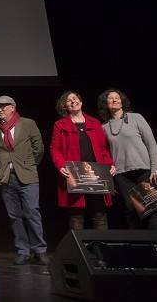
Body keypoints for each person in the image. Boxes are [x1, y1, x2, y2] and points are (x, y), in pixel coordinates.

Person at [0, 95, 48, 265]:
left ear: (13, 107)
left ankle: (39, 250)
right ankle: (23, 250)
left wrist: (28, 164)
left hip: (27, 175)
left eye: (3, 106)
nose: (0, 109)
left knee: (32, 212)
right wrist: (3, 166)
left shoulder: (28, 123)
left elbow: (39, 148)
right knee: (14, 216)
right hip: (6, 177)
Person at [50, 91, 116, 230]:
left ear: (81, 102)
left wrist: (110, 165)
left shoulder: (95, 122)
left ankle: (101, 249)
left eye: (75, 98)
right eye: (69, 100)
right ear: (65, 106)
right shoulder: (60, 125)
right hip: (75, 173)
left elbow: (104, 149)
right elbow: (55, 149)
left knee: (99, 213)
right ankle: (79, 250)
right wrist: (61, 166)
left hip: (96, 173)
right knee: (76, 215)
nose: (73, 101)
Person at [98, 88, 157, 230]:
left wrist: (156, 168)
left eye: (117, 97)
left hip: (144, 170)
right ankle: (139, 247)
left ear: (122, 102)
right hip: (122, 174)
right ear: (106, 104)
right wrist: (109, 180)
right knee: (130, 211)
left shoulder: (136, 118)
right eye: (110, 98)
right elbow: (104, 153)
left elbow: (151, 143)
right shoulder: (103, 127)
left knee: (152, 208)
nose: (114, 99)